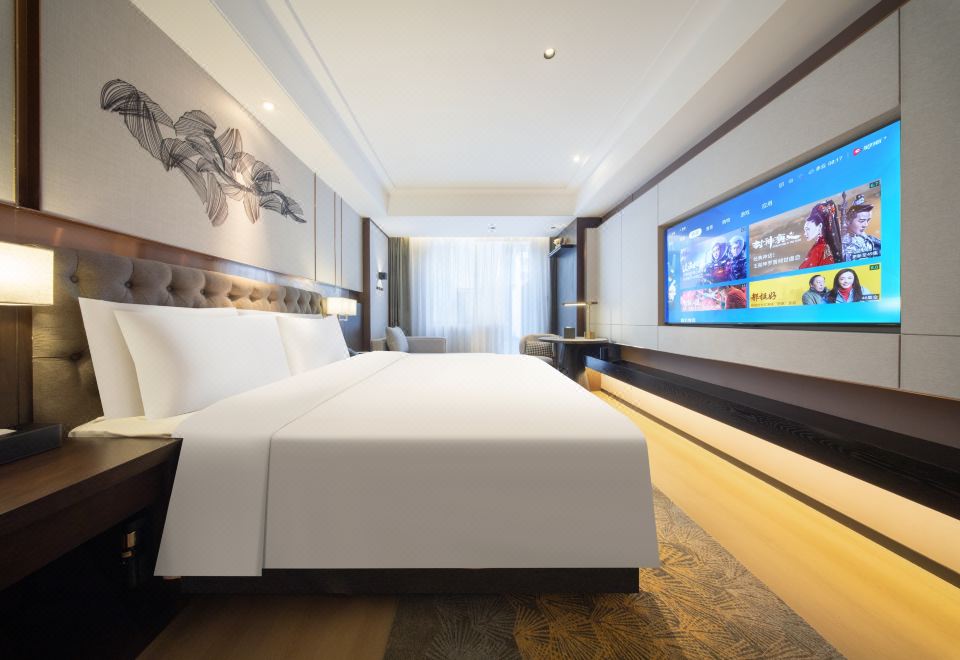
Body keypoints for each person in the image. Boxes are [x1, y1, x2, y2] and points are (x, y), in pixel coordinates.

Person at [800, 202, 837, 269]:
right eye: (805, 230)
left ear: (820, 226)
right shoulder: (820, 246)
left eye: (808, 229)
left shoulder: (820, 248)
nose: (805, 233)